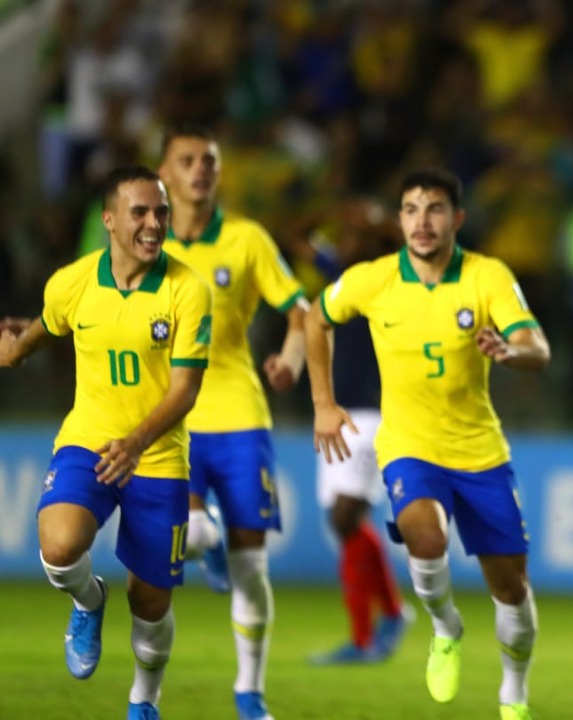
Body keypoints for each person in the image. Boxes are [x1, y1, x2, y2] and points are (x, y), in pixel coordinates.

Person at [306, 167, 550, 720]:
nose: (423, 220)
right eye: (412, 209)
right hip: (408, 446)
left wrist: (512, 352)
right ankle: (445, 627)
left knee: (512, 588)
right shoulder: (372, 279)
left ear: (456, 219)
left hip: (481, 452)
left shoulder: (486, 276)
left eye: (435, 209)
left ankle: (514, 690)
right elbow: (315, 320)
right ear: (399, 221)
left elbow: (536, 345)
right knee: (422, 529)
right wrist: (323, 403)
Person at [0, 165, 211, 720]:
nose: (153, 223)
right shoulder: (72, 281)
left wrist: (138, 441)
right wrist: (19, 348)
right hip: (88, 441)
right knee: (60, 547)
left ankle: (144, 699)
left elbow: (186, 390)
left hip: (158, 455)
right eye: (140, 212)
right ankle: (89, 600)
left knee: (150, 602)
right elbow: (54, 320)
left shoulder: (187, 290)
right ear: (110, 220)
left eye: (160, 212)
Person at [157, 124, 307, 720]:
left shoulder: (246, 239)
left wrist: (291, 362)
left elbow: (301, 312)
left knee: (251, 566)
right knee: (189, 538)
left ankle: (249, 694)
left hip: (241, 413)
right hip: (173, 418)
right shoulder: (148, 243)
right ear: (164, 172)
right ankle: (207, 535)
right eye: (187, 160)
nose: (200, 170)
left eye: (209, 161)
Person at [300, 199, 412, 664]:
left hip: (376, 411)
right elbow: (297, 238)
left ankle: (366, 636)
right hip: (341, 411)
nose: (343, 241)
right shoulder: (343, 278)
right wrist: (340, 209)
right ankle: (390, 613)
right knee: (346, 522)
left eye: (353, 236)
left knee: (345, 519)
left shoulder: (395, 276)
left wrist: (377, 223)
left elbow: (417, 246)